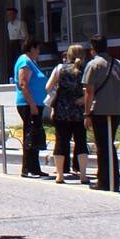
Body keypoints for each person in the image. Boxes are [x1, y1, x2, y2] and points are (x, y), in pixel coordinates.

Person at [82, 35, 120, 193]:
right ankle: (114, 180)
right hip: (116, 110)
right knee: (109, 144)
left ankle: (104, 181)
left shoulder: (93, 65)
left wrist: (87, 114)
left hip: (99, 110)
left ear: (93, 48)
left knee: (102, 147)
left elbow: (89, 92)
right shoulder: (119, 64)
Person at [47, 45, 89, 184]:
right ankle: (83, 175)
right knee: (81, 141)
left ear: (69, 55)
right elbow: (91, 89)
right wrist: (82, 98)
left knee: (61, 141)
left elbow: (48, 87)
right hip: (79, 110)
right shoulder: (86, 69)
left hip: (62, 109)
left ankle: (60, 175)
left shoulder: (60, 68)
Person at [12, 38, 49, 177]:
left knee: (35, 133)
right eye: (37, 49)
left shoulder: (32, 62)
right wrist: (32, 105)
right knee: (30, 133)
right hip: (28, 104)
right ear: (32, 48)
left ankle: (34, 167)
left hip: (35, 103)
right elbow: (23, 84)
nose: (39, 52)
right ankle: (27, 168)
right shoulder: (24, 61)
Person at [2, 7, 28, 83]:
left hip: (19, 43)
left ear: (15, 14)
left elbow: (25, 36)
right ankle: (13, 78)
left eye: (11, 14)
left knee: (19, 60)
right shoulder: (9, 24)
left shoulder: (20, 23)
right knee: (11, 62)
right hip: (11, 43)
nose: (9, 16)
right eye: (8, 15)